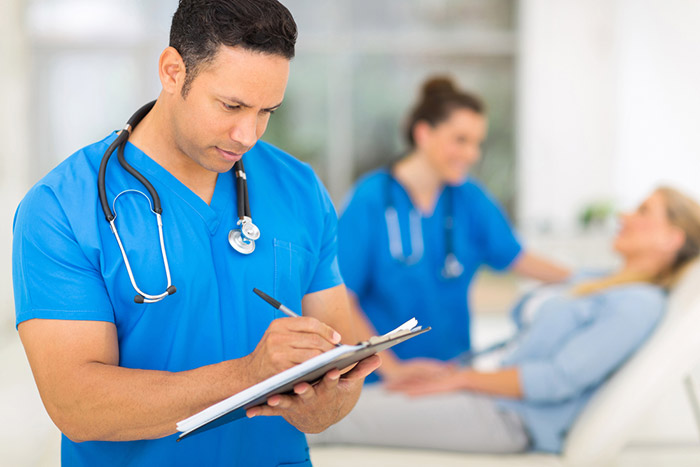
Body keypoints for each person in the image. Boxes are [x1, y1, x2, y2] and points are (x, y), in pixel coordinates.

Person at [11, 1, 379, 465]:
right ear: (171, 71)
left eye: (268, 111)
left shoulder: (300, 189)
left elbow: (339, 375)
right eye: (232, 105)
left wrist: (322, 401)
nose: (248, 134)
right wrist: (249, 375)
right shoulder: (63, 207)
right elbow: (76, 405)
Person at [311, 187, 700, 453]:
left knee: (326, 419)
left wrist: (459, 380)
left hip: (510, 415)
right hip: (482, 390)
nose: (625, 215)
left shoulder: (638, 304)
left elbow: (557, 378)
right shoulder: (597, 282)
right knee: (327, 402)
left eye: (644, 211)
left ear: (672, 239)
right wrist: (455, 373)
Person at [338, 76, 570, 383]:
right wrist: (392, 370)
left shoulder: (469, 198)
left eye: (477, 143)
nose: (472, 154)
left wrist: (589, 281)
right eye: (460, 140)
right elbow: (340, 297)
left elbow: (519, 258)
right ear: (423, 133)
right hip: (382, 383)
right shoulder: (370, 199)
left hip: (451, 376)